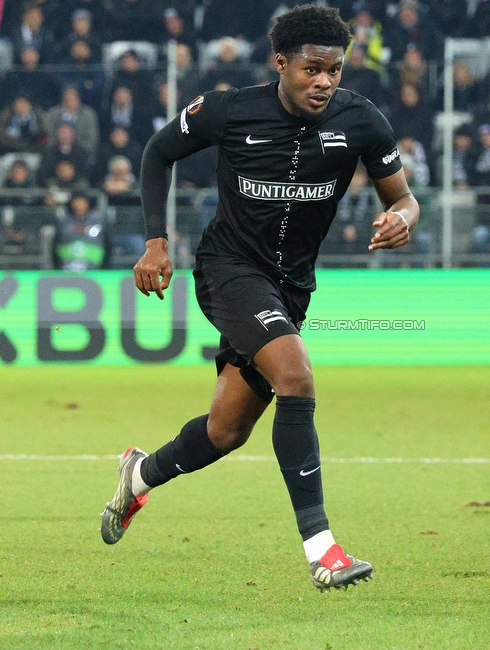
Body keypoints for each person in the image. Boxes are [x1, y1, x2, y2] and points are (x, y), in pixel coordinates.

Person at [99, 5, 419, 592]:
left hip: (292, 287)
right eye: (312, 69)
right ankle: (324, 550)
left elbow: (404, 197)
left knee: (226, 431)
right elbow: (156, 153)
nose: (324, 82)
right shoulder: (229, 109)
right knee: (296, 377)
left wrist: (401, 216)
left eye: (335, 71)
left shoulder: (362, 120)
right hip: (228, 270)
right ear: (281, 62)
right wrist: (155, 243)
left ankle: (137, 476)